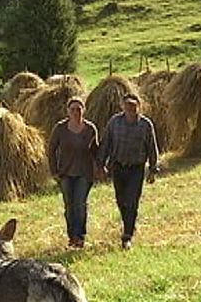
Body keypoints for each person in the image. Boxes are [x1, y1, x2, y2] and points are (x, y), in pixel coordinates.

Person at [98, 93, 159, 250]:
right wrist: (101, 164)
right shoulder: (114, 122)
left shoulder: (146, 125)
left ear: (139, 106)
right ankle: (128, 223)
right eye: (127, 105)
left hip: (136, 168)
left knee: (132, 201)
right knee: (121, 200)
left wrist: (153, 169)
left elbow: (152, 148)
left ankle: (127, 235)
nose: (130, 108)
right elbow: (106, 143)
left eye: (133, 105)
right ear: (122, 106)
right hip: (118, 167)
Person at [47, 96, 99, 248]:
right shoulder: (60, 129)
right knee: (69, 206)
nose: (76, 112)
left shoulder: (90, 129)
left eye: (79, 109)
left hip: (84, 173)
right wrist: (54, 170)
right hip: (65, 174)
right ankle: (72, 237)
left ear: (84, 110)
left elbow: (96, 150)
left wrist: (100, 167)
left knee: (80, 205)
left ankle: (80, 236)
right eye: (73, 109)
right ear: (68, 112)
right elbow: (51, 150)